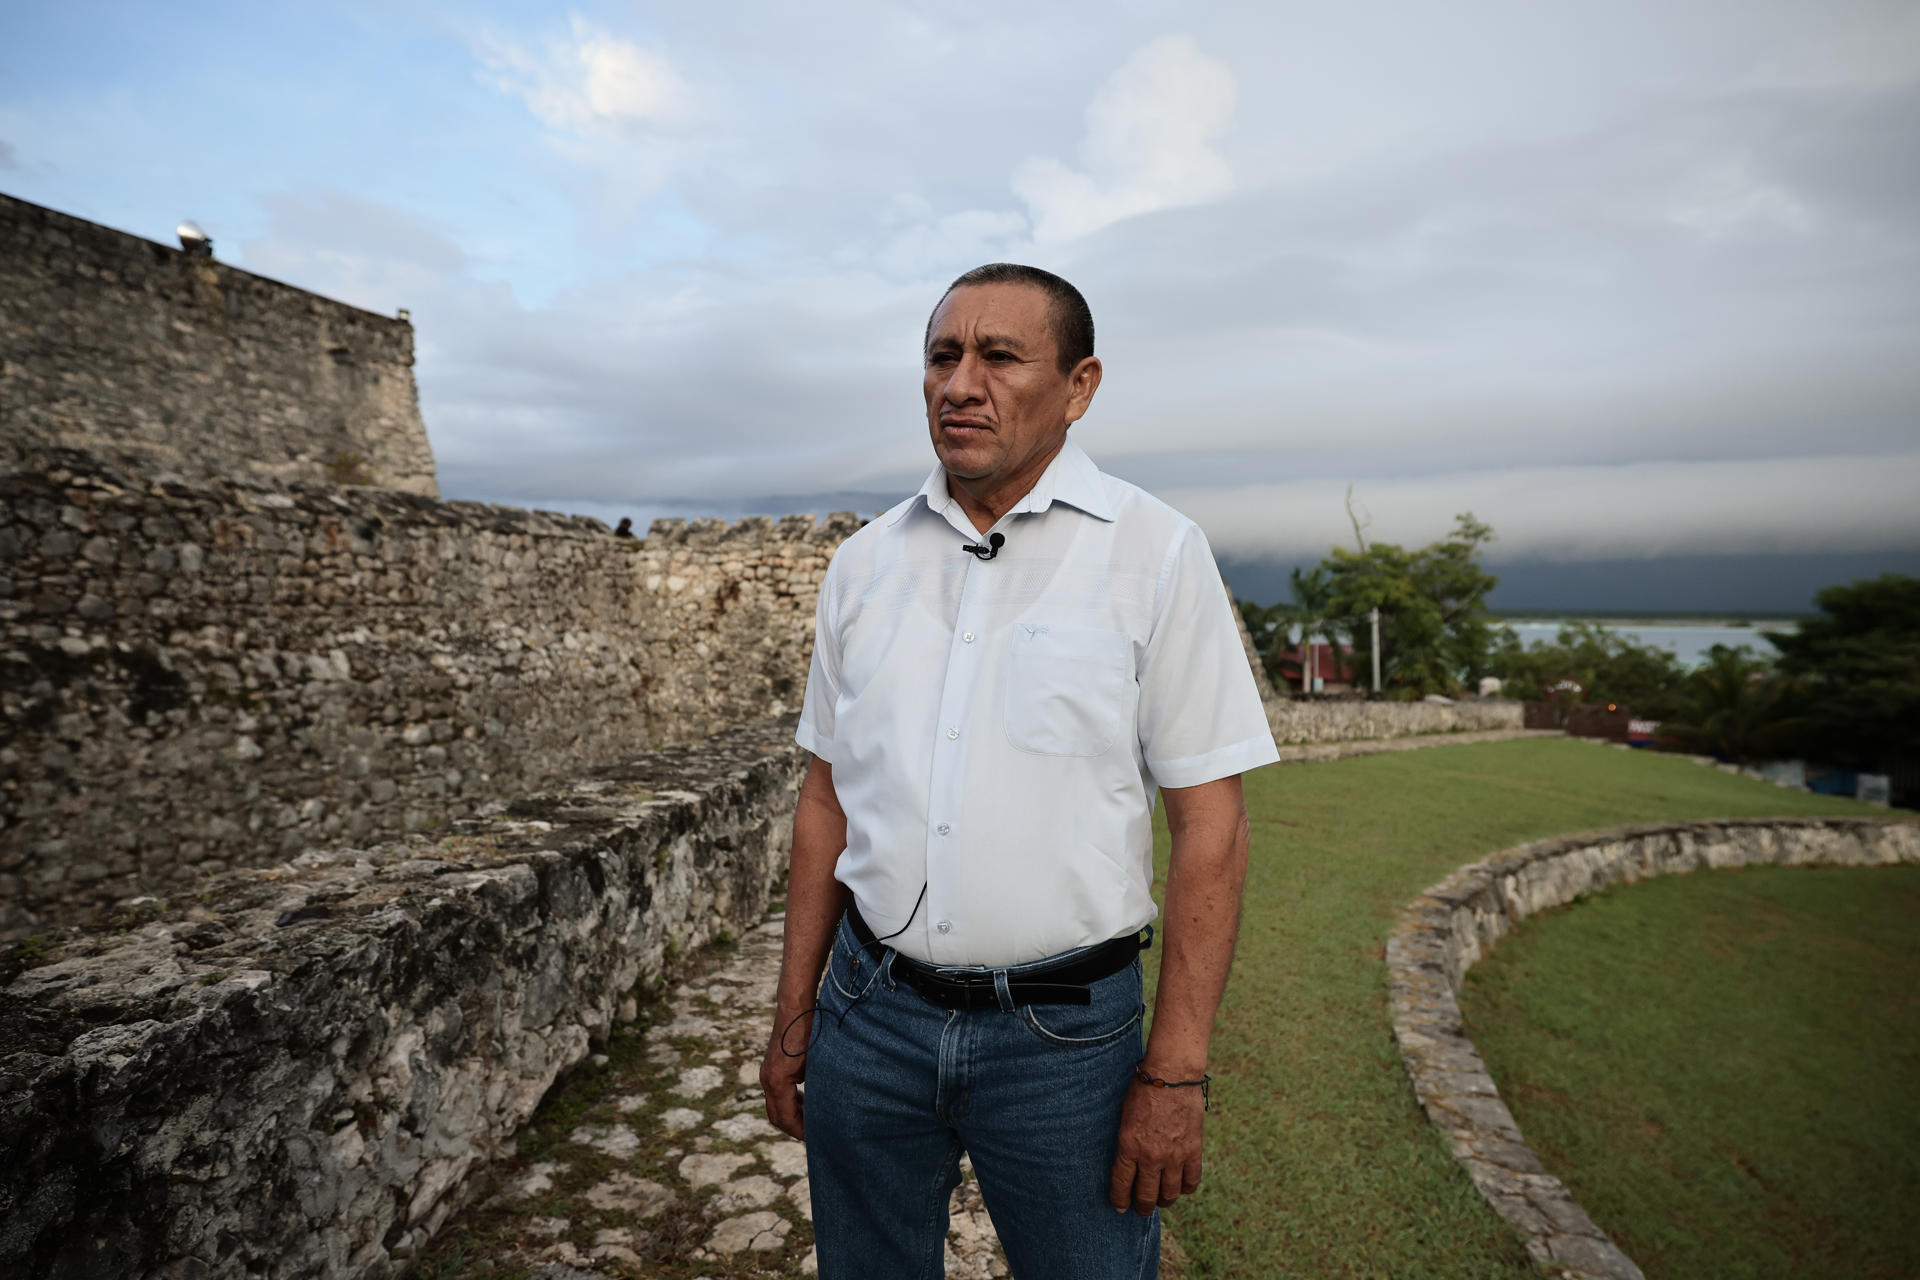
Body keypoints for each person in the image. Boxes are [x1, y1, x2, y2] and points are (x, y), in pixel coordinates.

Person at [759, 262, 1278, 1279]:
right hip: (871, 1013)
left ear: (1079, 387)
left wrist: (1174, 1075)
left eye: (999, 356)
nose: (960, 383)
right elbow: (824, 799)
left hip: (1067, 1044)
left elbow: (1212, 826)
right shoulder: (863, 564)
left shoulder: (1156, 553)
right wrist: (794, 1017)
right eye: (943, 355)